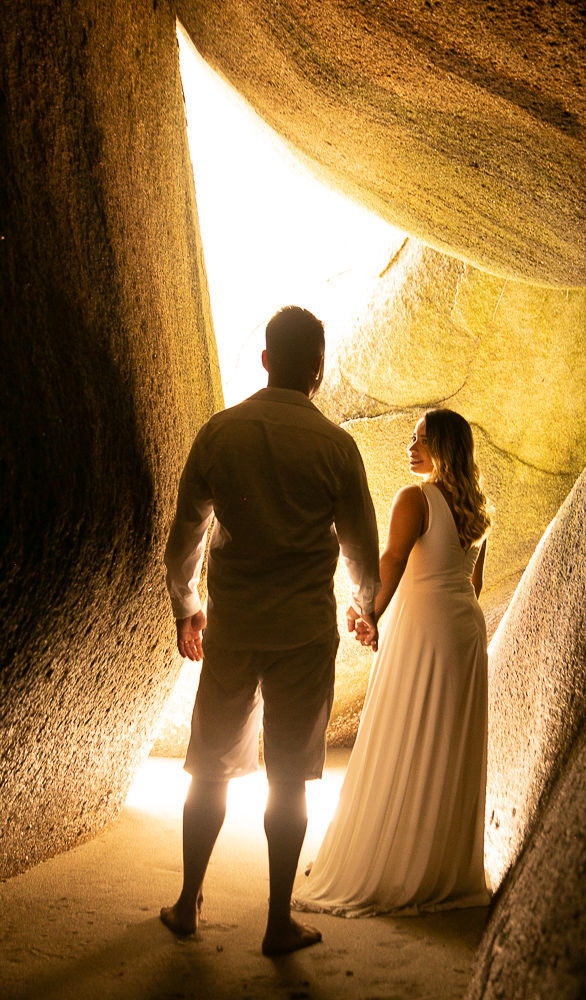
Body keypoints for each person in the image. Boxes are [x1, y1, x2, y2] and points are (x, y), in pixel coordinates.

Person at [160, 306, 380, 954]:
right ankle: (278, 921)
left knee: (207, 770)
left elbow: (184, 539)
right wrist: (364, 606)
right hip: (304, 635)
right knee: (289, 781)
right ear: (318, 367)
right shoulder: (336, 446)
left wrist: (186, 606)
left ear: (263, 360)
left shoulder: (220, 433)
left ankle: (186, 902)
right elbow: (360, 550)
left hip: (234, 625)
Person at [293, 408, 492, 916]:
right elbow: (473, 585)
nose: (411, 446)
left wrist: (367, 613)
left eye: (422, 439)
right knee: (445, 744)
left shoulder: (416, 498)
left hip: (425, 631)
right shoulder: (479, 509)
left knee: (404, 735)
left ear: (445, 447)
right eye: (412, 437)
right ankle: (436, 866)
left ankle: (386, 864)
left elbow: (393, 561)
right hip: (465, 633)